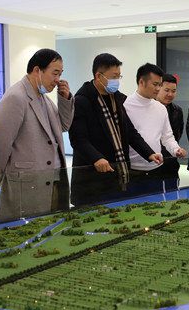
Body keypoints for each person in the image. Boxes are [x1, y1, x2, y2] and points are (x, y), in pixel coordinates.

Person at [0, 48, 73, 220]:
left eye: (60, 74)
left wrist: (65, 99)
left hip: (53, 181)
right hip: (27, 184)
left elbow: (63, 126)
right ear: (37, 70)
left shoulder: (44, 99)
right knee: (26, 231)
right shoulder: (16, 97)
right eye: (54, 73)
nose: (58, 80)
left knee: (51, 229)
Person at [68, 53, 162, 206]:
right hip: (92, 178)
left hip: (116, 174)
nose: (116, 81)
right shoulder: (82, 101)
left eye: (119, 76)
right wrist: (97, 158)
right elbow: (78, 139)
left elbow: (130, 132)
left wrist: (149, 153)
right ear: (99, 76)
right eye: (113, 76)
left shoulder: (117, 99)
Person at [124, 64, 186, 194]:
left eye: (160, 84)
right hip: (131, 170)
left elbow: (167, 137)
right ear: (141, 82)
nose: (158, 88)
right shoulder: (125, 105)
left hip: (156, 169)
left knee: (156, 204)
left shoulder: (160, 108)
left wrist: (176, 150)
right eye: (155, 84)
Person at [156, 73, 185, 181]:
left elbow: (177, 135)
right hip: (153, 163)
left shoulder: (177, 110)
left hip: (171, 163)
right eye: (166, 90)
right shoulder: (148, 108)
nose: (170, 94)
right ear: (158, 88)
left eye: (173, 91)